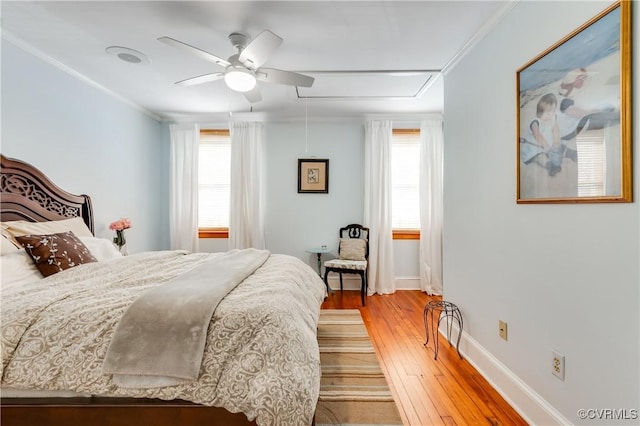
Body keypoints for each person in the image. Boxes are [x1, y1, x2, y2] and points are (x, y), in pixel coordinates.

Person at [520, 93, 563, 176]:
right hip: (533, 148)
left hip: (547, 145)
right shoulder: (535, 122)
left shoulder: (552, 118)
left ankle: (568, 154)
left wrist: (556, 144)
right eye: (549, 112)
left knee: (560, 149)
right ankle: (550, 166)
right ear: (541, 112)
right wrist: (547, 148)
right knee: (541, 157)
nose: (551, 114)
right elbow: (537, 135)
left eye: (553, 111)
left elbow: (556, 130)